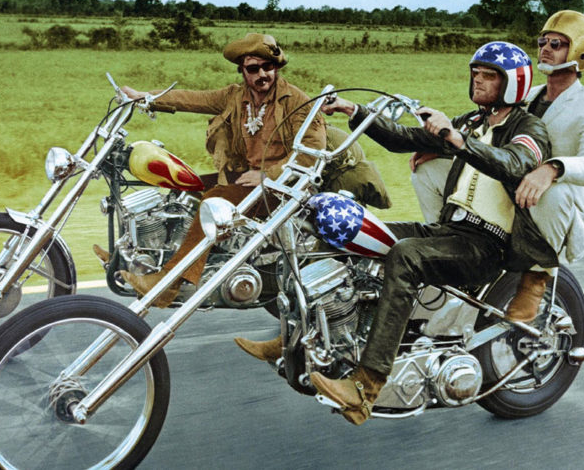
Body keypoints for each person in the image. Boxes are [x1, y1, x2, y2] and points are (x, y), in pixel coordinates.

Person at [237, 41, 556, 425]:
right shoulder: (473, 123)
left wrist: (455, 139)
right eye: (476, 73)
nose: (478, 80)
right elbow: (402, 138)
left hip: (488, 245)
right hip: (450, 228)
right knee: (346, 234)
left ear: (513, 84)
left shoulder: (527, 128)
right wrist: (355, 111)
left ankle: (365, 387)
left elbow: (515, 163)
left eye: (489, 76)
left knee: (405, 255)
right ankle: (297, 339)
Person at [102, 33, 390, 307]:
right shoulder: (235, 97)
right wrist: (145, 97)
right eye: (253, 68)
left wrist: (268, 175)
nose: (262, 74)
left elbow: (312, 153)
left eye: (268, 67)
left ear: (276, 68)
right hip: (249, 179)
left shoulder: (297, 102)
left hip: (286, 188)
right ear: (242, 70)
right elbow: (193, 99)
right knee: (183, 187)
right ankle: (142, 259)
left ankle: (169, 284)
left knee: (214, 200)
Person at [507, 10, 584, 321]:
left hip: (559, 209)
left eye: (556, 44)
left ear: (581, 51)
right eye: (542, 42)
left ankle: (536, 278)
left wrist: (552, 169)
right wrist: (443, 146)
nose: (545, 48)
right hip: (512, 195)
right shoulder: (524, 98)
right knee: (430, 170)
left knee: (553, 191)